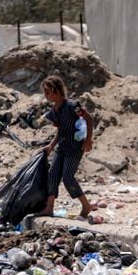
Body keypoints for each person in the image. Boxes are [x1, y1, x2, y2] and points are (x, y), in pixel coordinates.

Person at [39, 76, 94, 218]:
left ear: (56, 90)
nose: (46, 95)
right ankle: (49, 208)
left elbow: (89, 119)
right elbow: (60, 131)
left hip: (75, 148)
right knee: (52, 175)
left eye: (48, 92)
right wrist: (51, 145)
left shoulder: (72, 106)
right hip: (62, 148)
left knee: (68, 177)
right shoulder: (54, 111)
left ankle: (86, 205)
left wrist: (88, 140)